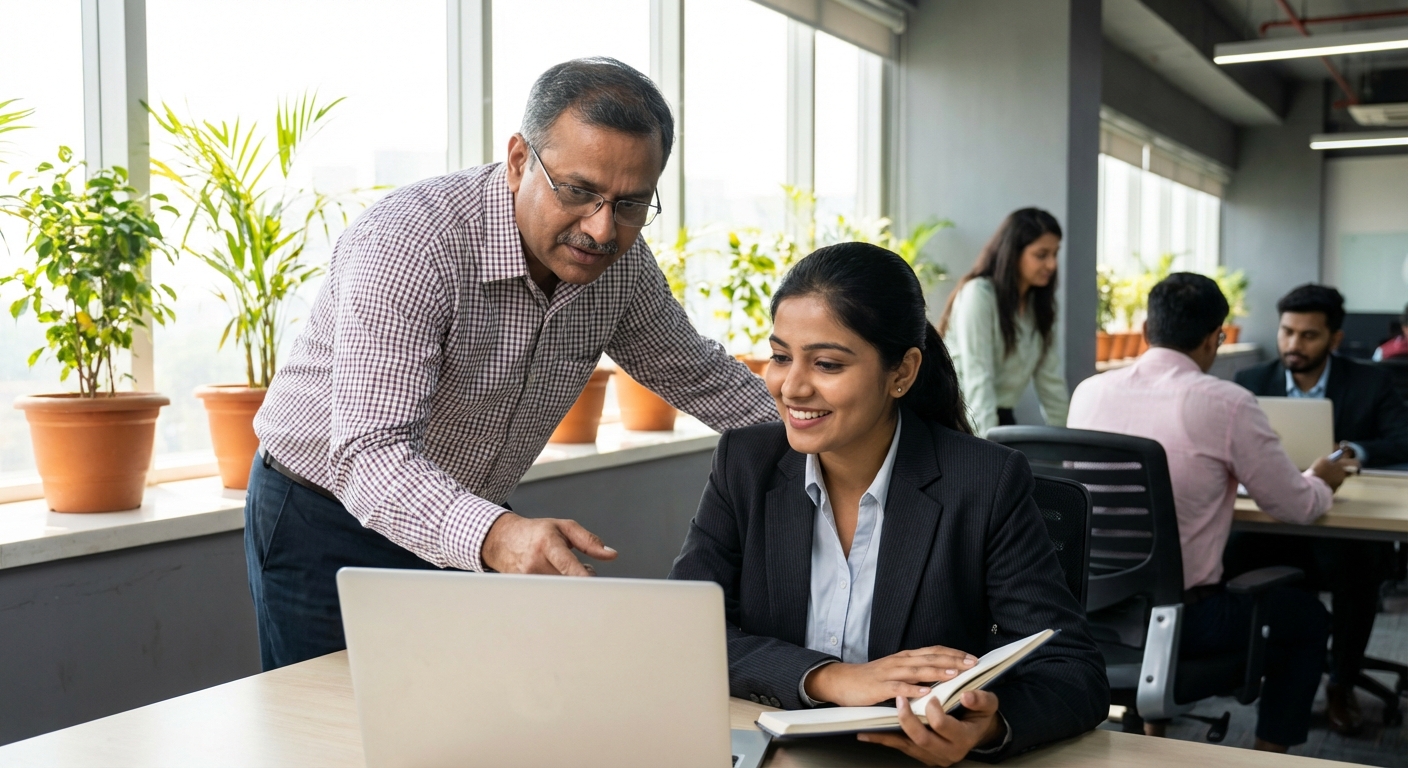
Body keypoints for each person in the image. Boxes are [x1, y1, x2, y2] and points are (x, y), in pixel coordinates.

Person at [247, 58, 777, 671]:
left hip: (467, 515)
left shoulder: (619, 266)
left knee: (453, 711)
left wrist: (831, 433)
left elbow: (699, 375)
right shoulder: (411, 244)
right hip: (325, 515)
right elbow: (370, 452)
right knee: (328, 720)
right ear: (521, 160)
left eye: (631, 203)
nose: (602, 229)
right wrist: (496, 535)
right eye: (578, 191)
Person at [670, 243, 1108, 766]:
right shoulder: (744, 462)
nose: (792, 386)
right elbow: (685, 632)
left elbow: (1071, 668)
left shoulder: (984, 482)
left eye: (827, 363)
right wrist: (830, 678)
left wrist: (985, 727)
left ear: (902, 372)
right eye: (781, 356)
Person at [1068, 273, 1358, 753]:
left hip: (1094, 611)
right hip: (1185, 621)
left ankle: (1153, 731)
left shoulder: (1089, 392)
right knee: (1307, 619)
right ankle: (1269, 758)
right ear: (1214, 339)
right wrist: (1321, 480)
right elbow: (1296, 506)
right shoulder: (1227, 403)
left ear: (1146, 329)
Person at [1229, 283, 1408, 735]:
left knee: (1358, 564)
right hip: (1273, 521)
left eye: (1308, 335)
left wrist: (1353, 452)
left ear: (1334, 338)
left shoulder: (1370, 381)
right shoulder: (1251, 382)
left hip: (1341, 521)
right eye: (1287, 332)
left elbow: (1403, 439)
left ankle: (1340, 683)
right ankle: (1249, 668)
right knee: (1226, 552)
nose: (1294, 344)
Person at [938, 208, 1068, 437]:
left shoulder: (1039, 308)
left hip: (1000, 417)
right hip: (957, 420)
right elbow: (978, 380)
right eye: (1041, 255)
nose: (1052, 265)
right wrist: (987, 450)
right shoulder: (979, 295)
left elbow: (1052, 384)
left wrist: (1068, 447)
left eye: (1055, 254)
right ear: (1013, 253)